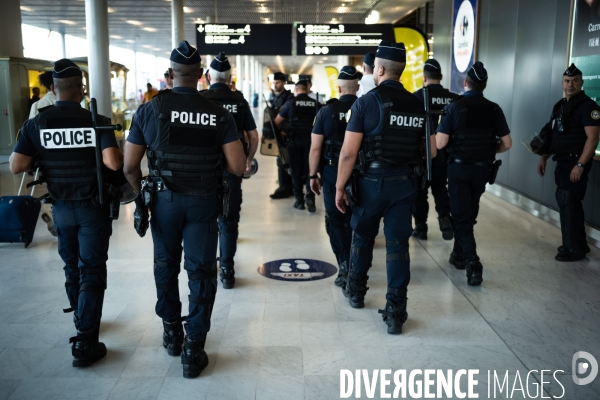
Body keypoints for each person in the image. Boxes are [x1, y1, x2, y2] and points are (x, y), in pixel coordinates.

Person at [123, 41, 245, 378]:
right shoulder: (218, 113)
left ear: (170, 75)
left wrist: (140, 200)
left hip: (165, 202)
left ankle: (172, 332)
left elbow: (129, 166)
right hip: (203, 203)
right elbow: (236, 166)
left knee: (165, 265)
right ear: (202, 76)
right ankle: (194, 348)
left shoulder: (151, 109)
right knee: (201, 271)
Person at [9, 58, 123, 366]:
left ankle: (80, 317)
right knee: (92, 270)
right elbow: (113, 163)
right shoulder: (95, 120)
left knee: (72, 267)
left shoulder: (37, 123)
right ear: (81, 89)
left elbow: (17, 165)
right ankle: (86, 341)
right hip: (91, 209)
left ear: (53, 89)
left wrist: (41, 157)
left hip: (60, 208)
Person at [335, 41, 435, 334]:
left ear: (379, 69)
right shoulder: (418, 105)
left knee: (362, 238)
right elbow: (431, 152)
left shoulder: (365, 102)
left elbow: (348, 153)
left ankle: (356, 292)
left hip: (371, 185)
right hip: (404, 187)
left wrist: (340, 188)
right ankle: (396, 311)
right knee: (397, 247)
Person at [436, 61, 512, 286]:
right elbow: (507, 144)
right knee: (467, 215)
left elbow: (440, 143)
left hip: (458, 168)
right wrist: (490, 149)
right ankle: (458, 255)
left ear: (465, 83)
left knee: (461, 217)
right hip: (482, 169)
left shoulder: (454, 107)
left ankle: (473, 263)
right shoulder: (494, 109)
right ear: (485, 85)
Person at [201, 52, 259, 289]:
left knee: (204, 221)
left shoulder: (201, 98)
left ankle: (204, 268)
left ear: (208, 77)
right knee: (228, 220)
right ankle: (227, 269)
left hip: (203, 172)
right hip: (231, 172)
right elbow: (254, 136)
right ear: (230, 77)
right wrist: (247, 159)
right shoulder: (239, 100)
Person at [537, 63, 600, 262]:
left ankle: (572, 249)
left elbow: (593, 139)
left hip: (575, 162)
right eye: (567, 81)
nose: (570, 84)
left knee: (567, 200)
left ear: (582, 83)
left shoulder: (589, 107)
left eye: (574, 81)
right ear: (562, 83)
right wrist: (544, 157)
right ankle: (578, 243)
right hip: (562, 161)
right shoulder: (561, 106)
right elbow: (553, 135)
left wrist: (580, 165)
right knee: (569, 202)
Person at [309, 66, 359, 288]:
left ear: (338, 88)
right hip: (361, 173)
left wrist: (312, 175)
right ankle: (357, 266)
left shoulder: (325, 112)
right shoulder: (365, 107)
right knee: (356, 221)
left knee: (336, 221)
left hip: (331, 173)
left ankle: (345, 265)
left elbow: (315, 149)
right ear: (357, 87)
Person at [412, 59, 459, 240]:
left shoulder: (416, 97)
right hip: (446, 154)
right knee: (441, 187)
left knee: (420, 191)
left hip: (422, 153)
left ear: (424, 77)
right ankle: (444, 218)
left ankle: (421, 227)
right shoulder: (455, 99)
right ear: (441, 77)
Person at [275, 80, 320, 211]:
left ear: (296, 90)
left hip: (294, 142)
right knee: (310, 170)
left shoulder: (290, 103)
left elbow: (277, 122)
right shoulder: (315, 104)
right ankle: (310, 197)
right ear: (306, 90)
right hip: (311, 143)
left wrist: (281, 133)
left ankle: (299, 201)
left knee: (296, 171)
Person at [267, 72, 294, 199]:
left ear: (284, 83)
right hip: (278, 133)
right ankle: (288, 187)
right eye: (274, 82)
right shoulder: (276, 97)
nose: (275, 85)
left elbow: (287, 116)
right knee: (284, 160)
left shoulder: (288, 97)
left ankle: (285, 188)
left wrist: (283, 130)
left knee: (283, 160)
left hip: (285, 133)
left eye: (277, 82)